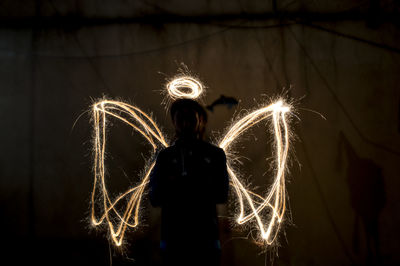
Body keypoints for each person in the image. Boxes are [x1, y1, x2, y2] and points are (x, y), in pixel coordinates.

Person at [149, 99, 229, 266]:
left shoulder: (215, 155)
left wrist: (177, 184)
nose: (185, 123)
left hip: (205, 240)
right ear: (174, 122)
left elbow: (221, 194)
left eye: (190, 118)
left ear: (200, 120)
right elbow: (155, 197)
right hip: (174, 241)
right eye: (180, 118)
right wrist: (195, 185)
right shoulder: (165, 157)